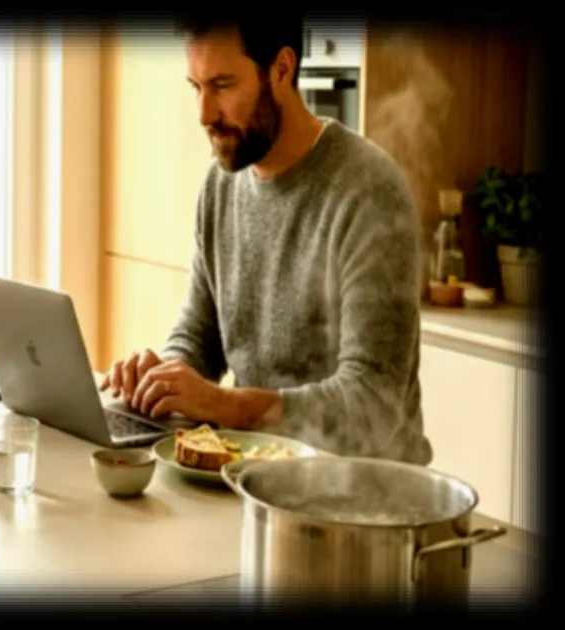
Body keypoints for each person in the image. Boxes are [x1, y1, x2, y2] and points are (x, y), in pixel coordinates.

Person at [100, 11, 432, 466]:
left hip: (365, 502)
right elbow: (200, 335)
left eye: (222, 86)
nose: (204, 114)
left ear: (281, 70)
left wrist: (223, 405)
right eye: (195, 88)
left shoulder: (368, 191)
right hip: (254, 481)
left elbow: (373, 405)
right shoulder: (220, 186)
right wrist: (162, 378)